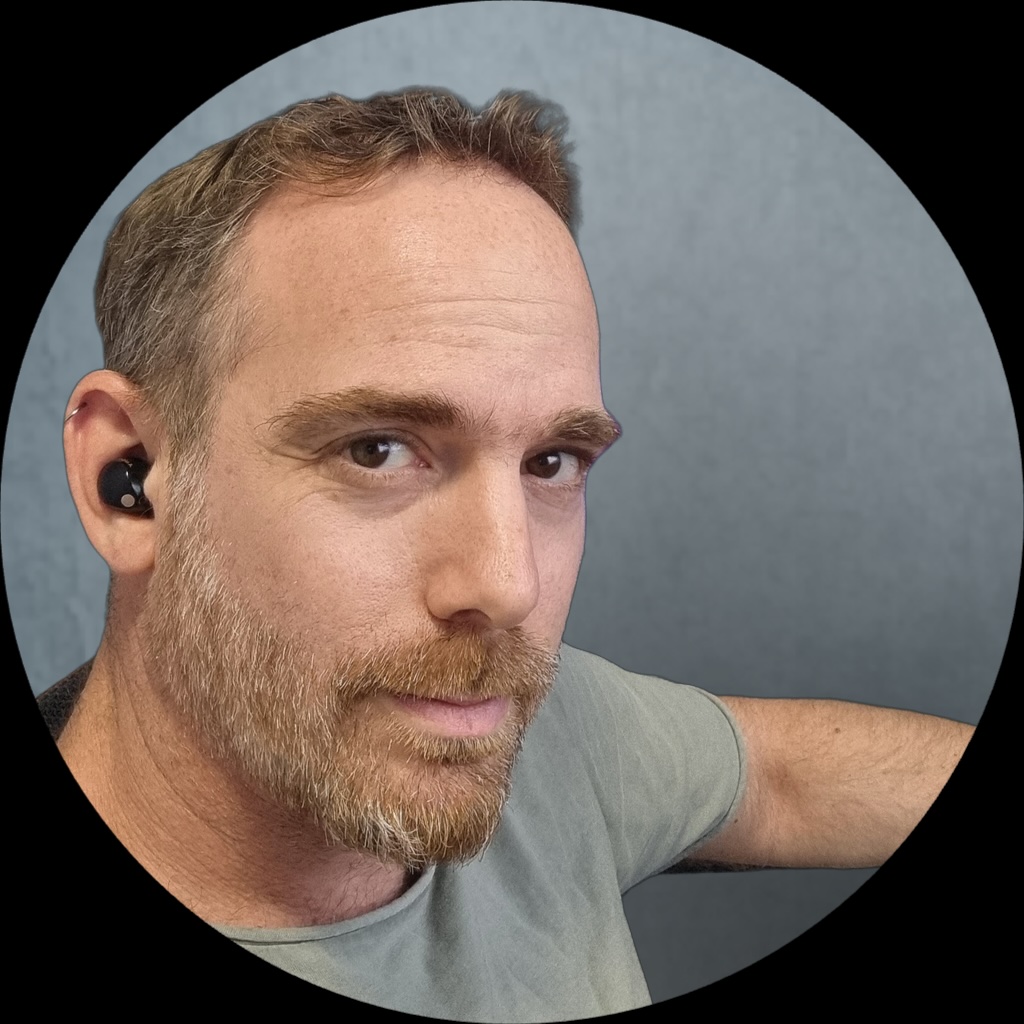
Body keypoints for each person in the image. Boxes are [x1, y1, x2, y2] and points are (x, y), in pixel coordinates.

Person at [39, 88, 973, 1020]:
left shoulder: (536, 733)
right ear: (131, 478)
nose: (508, 584)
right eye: (378, 450)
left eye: (552, 462)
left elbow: (780, 777)